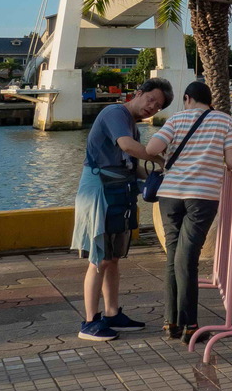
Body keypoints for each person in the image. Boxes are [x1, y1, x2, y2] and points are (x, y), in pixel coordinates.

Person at [70, 77, 173, 342]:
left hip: (118, 191)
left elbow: (130, 164)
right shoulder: (115, 112)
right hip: (100, 192)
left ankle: (112, 314)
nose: (153, 107)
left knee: (113, 259)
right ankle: (90, 322)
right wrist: (162, 159)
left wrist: (159, 174)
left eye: (159, 106)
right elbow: (128, 147)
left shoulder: (132, 125)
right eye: (151, 99)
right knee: (99, 258)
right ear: (138, 93)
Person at [147, 81, 232, 342]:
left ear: (187, 98)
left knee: (173, 255)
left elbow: (152, 149)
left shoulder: (176, 119)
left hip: (170, 195)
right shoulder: (223, 121)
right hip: (202, 197)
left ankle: (171, 323)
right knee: (187, 258)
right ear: (210, 101)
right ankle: (190, 325)